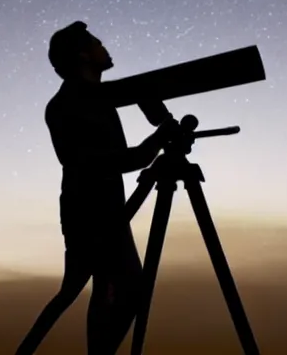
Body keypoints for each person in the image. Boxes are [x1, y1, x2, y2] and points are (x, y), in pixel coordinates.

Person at [16, 21, 173, 355]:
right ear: (83, 56)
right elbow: (115, 161)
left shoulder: (92, 100)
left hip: (99, 210)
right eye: (98, 44)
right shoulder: (71, 104)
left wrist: (158, 139)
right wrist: (163, 137)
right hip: (91, 214)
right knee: (116, 289)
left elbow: (122, 160)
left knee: (95, 289)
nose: (106, 48)